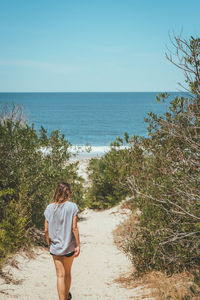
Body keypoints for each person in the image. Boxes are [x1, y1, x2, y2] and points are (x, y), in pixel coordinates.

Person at [44, 182, 80, 300]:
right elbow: (74, 227)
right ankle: (66, 296)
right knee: (67, 274)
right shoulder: (72, 207)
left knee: (60, 275)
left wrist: (49, 244)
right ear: (68, 193)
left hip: (55, 248)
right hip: (69, 247)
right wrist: (78, 245)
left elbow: (46, 230)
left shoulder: (49, 208)